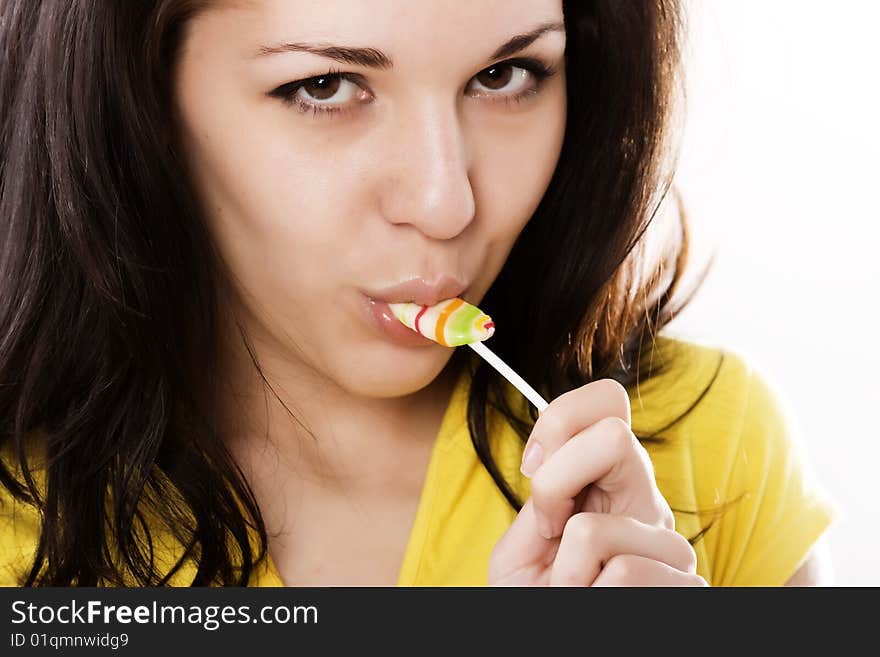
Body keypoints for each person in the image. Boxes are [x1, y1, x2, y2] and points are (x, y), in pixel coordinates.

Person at [0, 0, 835, 587]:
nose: (447, 202)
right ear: (139, 95)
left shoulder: (707, 450)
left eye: (507, 73)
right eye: (325, 86)